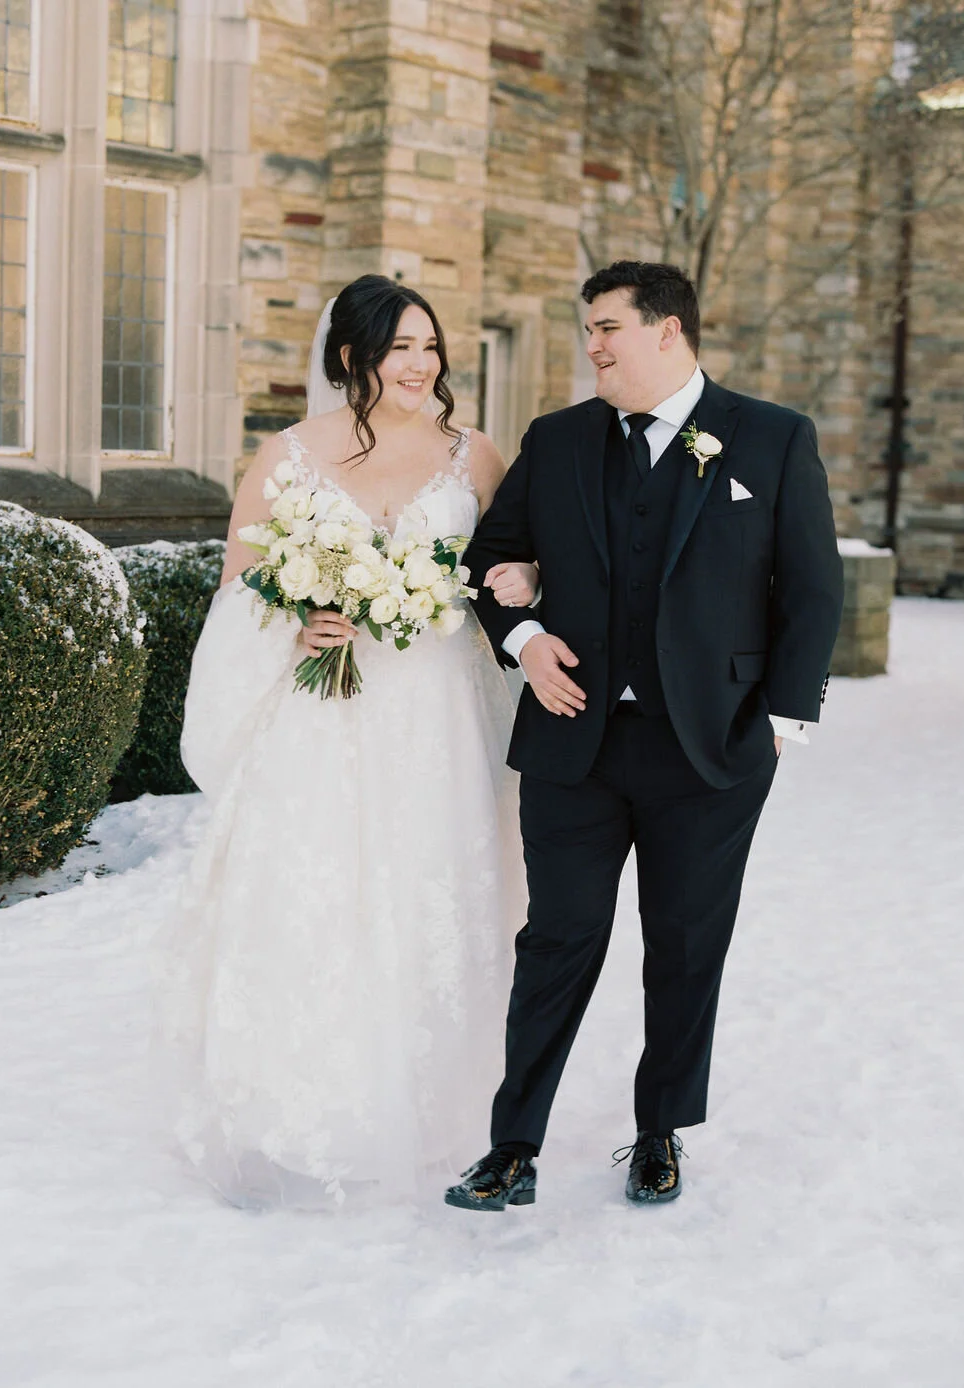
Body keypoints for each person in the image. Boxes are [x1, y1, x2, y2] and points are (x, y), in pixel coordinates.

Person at [447, 260, 844, 1211]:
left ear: (669, 332)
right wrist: (528, 642)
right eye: (588, 329)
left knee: (684, 943)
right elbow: (489, 558)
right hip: (571, 744)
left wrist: (782, 719)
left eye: (608, 329)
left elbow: (814, 585)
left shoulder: (773, 439)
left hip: (711, 748)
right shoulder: (559, 440)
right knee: (558, 938)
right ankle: (513, 1143)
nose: (594, 346)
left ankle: (660, 1130)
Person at [157, 275, 536, 1206]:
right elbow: (240, 582)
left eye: (428, 346)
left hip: (440, 714)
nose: (420, 365)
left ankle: (439, 1104)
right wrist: (294, 620)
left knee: (431, 890)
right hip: (323, 721)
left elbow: (515, 559)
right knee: (317, 896)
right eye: (399, 347)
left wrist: (518, 575)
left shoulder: (473, 453)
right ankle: (308, 1107)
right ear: (349, 359)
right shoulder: (287, 454)